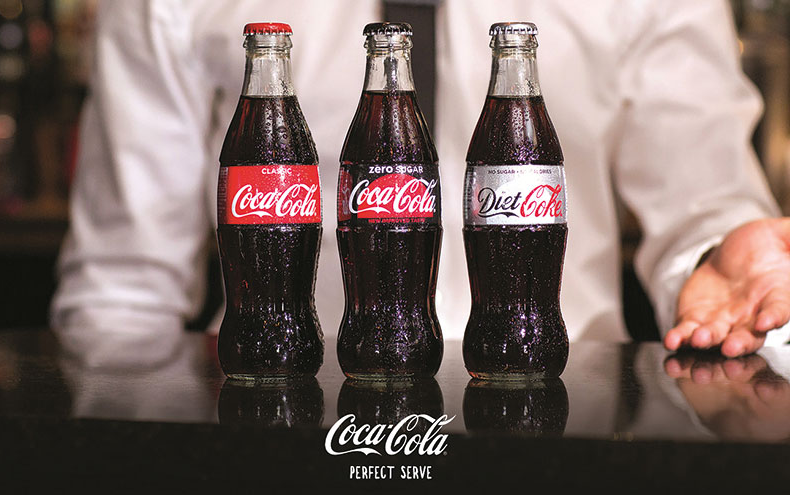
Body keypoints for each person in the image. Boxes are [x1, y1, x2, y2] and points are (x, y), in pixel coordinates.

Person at [51, 0, 790, 362]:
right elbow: (122, 289)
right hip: (281, 412)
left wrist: (720, 267)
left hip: (556, 410)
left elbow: (703, 195)